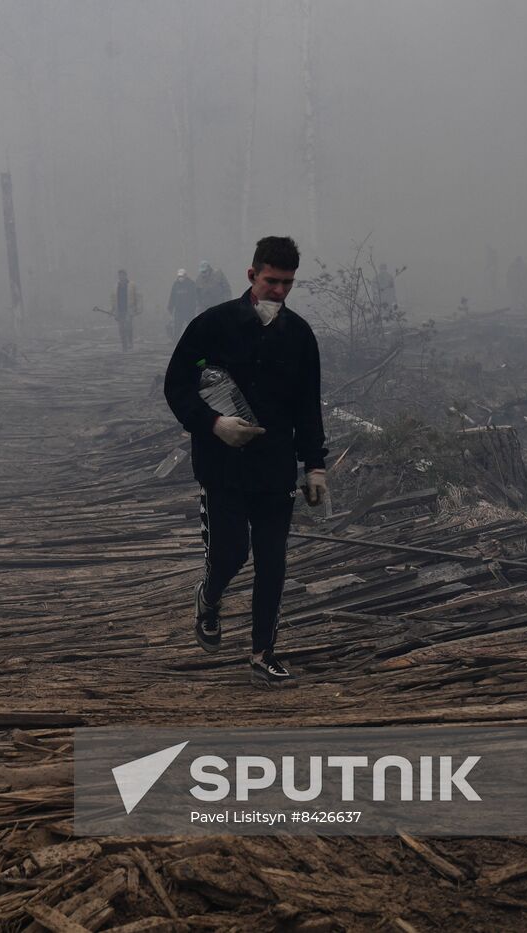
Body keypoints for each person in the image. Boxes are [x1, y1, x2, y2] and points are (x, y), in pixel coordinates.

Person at [163, 237, 327, 686]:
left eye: (287, 284)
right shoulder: (211, 326)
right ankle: (210, 599)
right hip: (222, 466)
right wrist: (213, 424)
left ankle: (262, 653)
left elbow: (308, 406)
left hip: (276, 466)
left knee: (273, 561)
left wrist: (315, 466)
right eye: (271, 281)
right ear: (252, 275)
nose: (278, 291)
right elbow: (177, 385)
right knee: (232, 551)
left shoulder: (300, 336)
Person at [109, 269, 142, 351]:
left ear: (125, 275)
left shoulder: (132, 285)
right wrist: (111, 310)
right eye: (120, 275)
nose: (121, 277)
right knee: (121, 328)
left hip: (129, 310)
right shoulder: (116, 286)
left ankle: (130, 342)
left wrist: (138, 308)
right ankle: (124, 345)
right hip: (119, 310)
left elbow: (137, 297)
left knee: (128, 327)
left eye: (122, 275)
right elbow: (113, 299)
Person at [167, 268, 199, 340]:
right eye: (179, 276)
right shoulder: (175, 284)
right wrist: (170, 307)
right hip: (179, 310)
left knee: (191, 327)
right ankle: (175, 341)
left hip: (189, 310)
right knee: (177, 327)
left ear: (185, 276)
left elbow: (195, 297)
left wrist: (195, 307)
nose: (180, 278)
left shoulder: (191, 284)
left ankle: (194, 340)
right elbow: (172, 296)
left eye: (182, 276)